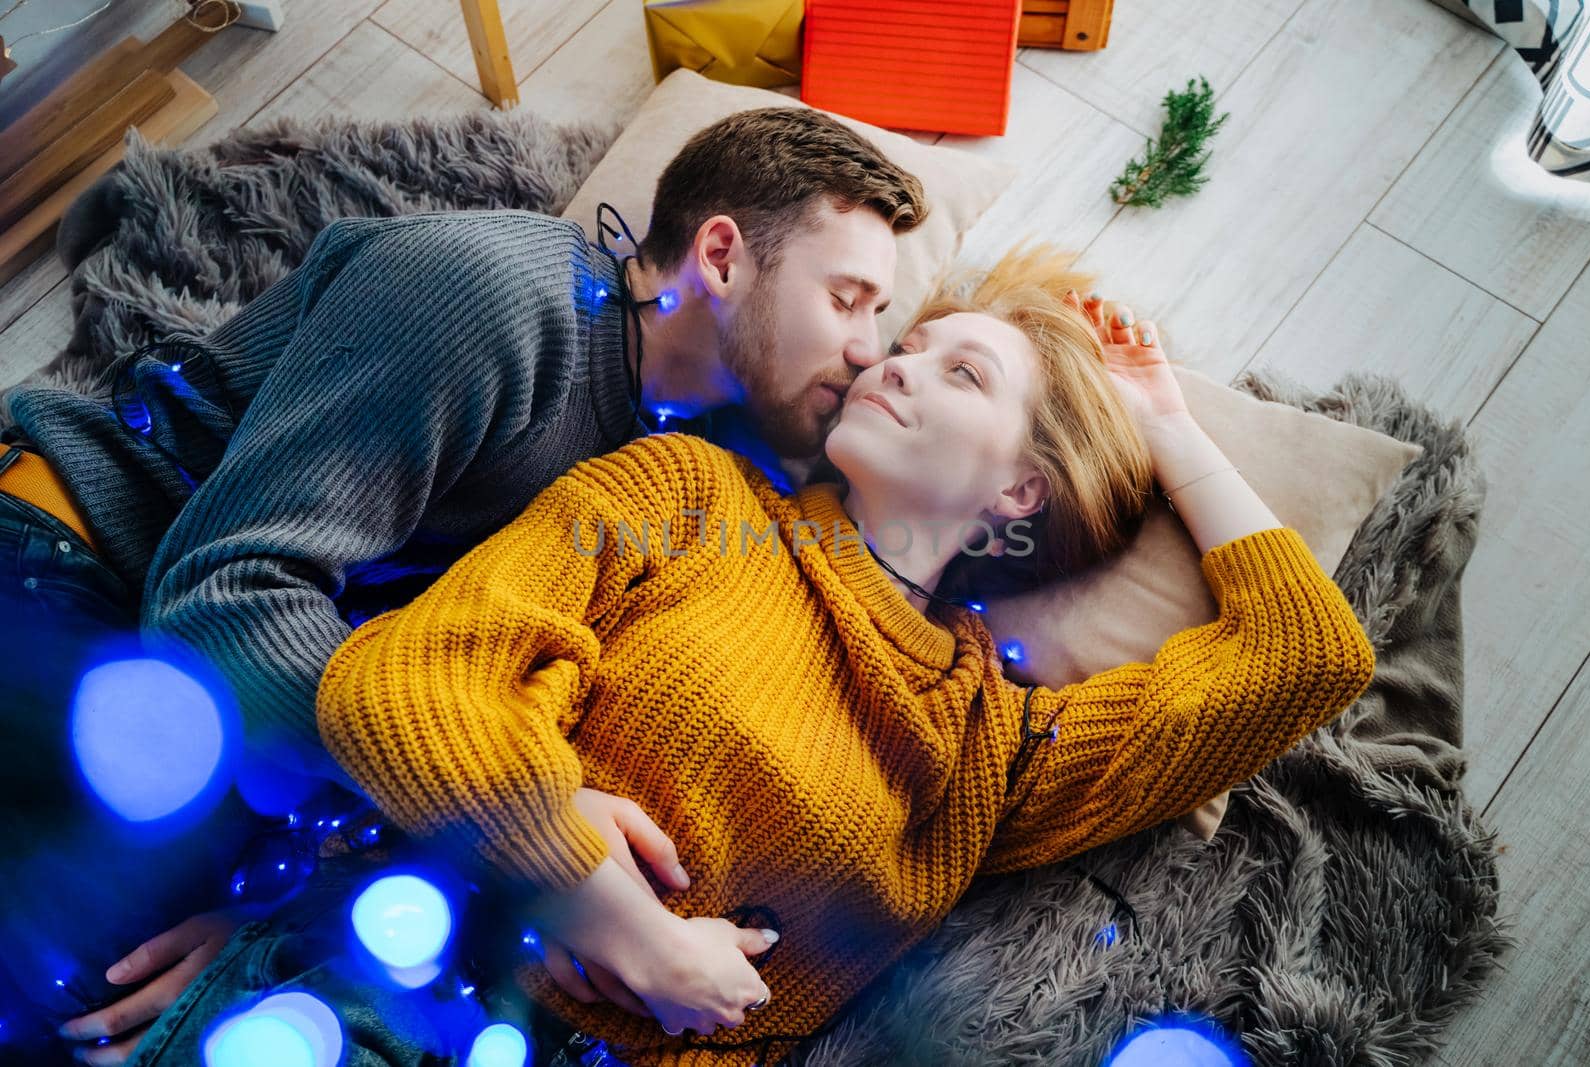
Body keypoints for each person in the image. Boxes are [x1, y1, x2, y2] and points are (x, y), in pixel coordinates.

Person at [170, 241, 1372, 1067]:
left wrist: (1164, 423)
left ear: (1019, 490)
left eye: (961, 370)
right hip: (386, 996)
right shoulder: (689, 493)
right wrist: (609, 906)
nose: (892, 360)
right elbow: (398, 682)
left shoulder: (995, 749)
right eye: (908, 340)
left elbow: (1308, 650)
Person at [0, 107, 927, 1065]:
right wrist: (525, 819)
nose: (869, 351)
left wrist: (285, 905)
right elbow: (222, 597)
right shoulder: (492, 295)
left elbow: (463, 691)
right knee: (77, 983)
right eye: (848, 299)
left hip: (253, 745)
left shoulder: (693, 468)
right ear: (723, 257)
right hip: (79, 562)